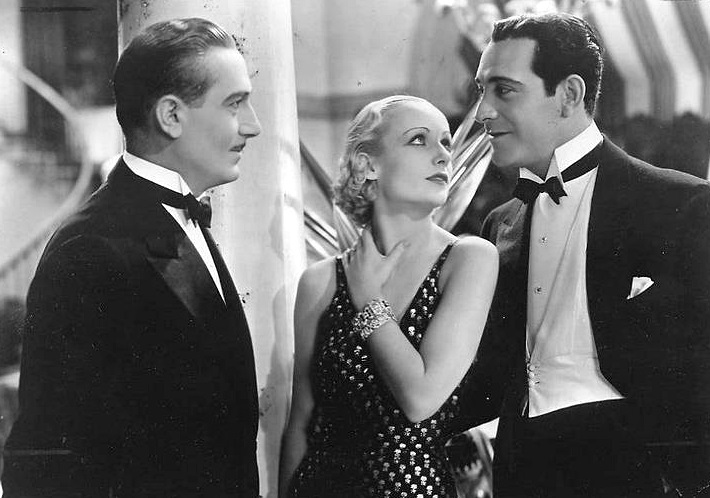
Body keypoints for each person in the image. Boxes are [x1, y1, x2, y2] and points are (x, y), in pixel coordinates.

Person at [2, 17, 262, 497]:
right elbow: (48, 459)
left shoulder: (180, 218)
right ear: (171, 115)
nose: (253, 125)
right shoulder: (89, 250)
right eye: (234, 103)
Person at [474, 12, 710, 498]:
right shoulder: (499, 224)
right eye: (481, 91)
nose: (482, 112)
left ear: (569, 94)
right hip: (521, 466)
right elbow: (489, 371)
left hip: (634, 467)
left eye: (504, 90)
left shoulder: (682, 204)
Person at [278, 95, 499, 497]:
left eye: (446, 142)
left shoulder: (469, 259)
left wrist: (368, 302)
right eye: (419, 140)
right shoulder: (319, 281)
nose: (443, 155)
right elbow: (302, 422)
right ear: (368, 165)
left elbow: (420, 398)